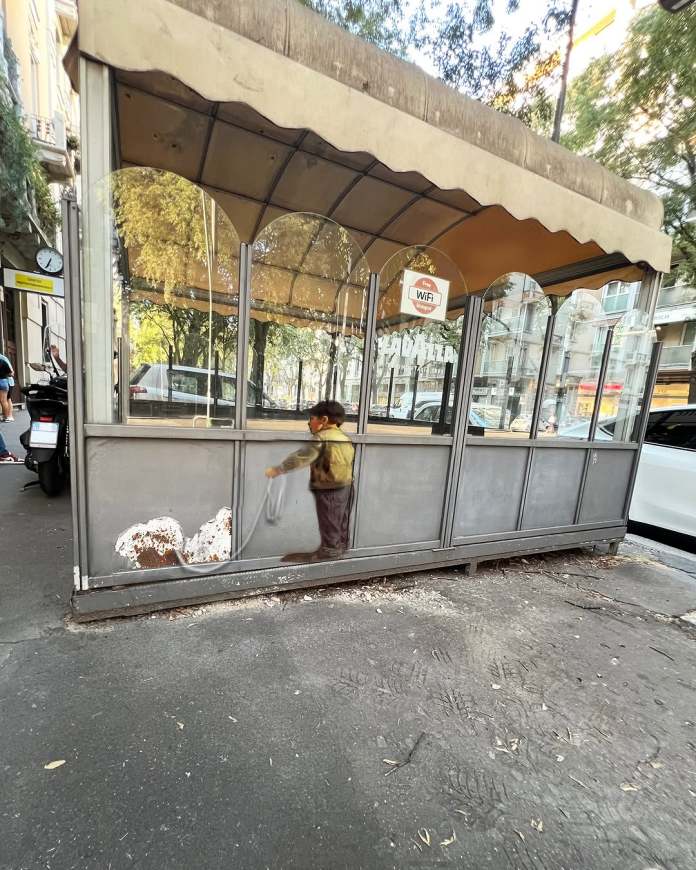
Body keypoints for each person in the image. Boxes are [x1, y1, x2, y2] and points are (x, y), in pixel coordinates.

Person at [265, 400, 355, 562]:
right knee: (340, 519)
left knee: (329, 519)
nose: (309, 422)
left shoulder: (321, 438)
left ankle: (330, 551)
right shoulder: (344, 438)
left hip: (329, 487)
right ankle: (340, 546)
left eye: (312, 418)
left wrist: (279, 469)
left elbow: (301, 457)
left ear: (324, 420)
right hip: (347, 486)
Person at [0, 351, 15, 422]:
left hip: (8, 382)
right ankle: (5, 416)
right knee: (4, 400)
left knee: (7, 400)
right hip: (6, 381)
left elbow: (12, 372)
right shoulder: (2, 359)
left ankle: (9, 416)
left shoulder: (3, 358)